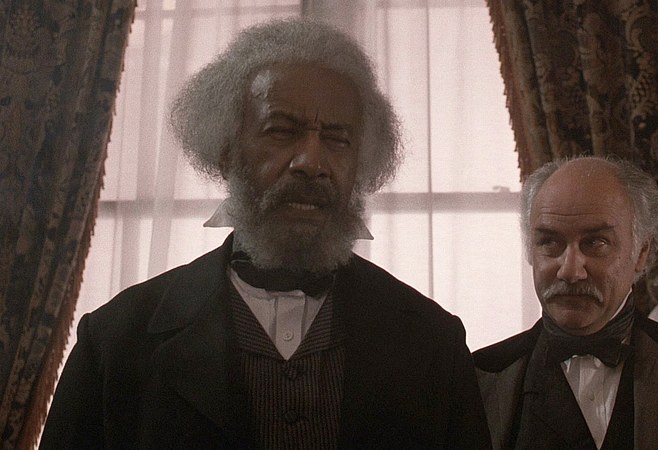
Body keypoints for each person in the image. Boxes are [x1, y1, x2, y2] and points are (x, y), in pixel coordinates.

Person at [41, 18, 490, 449]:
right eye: (281, 131)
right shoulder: (115, 343)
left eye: (337, 139)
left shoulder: (434, 343)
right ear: (226, 150)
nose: (311, 162)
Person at [473, 156, 658, 449]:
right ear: (530, 250)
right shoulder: (477, 379)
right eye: (549, 242)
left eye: (596, 243)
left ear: (641, 253)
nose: (570, 270)